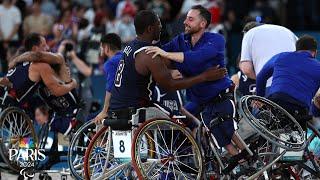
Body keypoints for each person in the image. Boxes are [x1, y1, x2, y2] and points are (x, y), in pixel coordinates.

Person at [145, 5, 244, 158]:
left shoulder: (216, 39)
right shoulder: (180, 40)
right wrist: (169, 69)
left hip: (220, 97)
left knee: (225, 131)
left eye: (190, 19)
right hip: (199, 101)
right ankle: (191, 160)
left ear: (203, 24)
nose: (185, 22)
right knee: (180, 122)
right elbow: (159, 55)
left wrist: (167, 54)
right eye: (186, 18)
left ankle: (247, 160)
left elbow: (197, 57)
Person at [107, 10, 227, 125]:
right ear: (150, 29)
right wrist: (204, 77)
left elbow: (165, 62)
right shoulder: (149, 54)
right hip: (135, 110)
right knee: (178, 119)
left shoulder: (132, 46)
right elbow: (170, 85)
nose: (161, 27)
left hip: (116, 109)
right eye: (158, 24)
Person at [256, 35, 320, 129]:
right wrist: (315, 113)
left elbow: (261, 77)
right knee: (298, 139)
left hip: (275, 101)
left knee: (269, 130)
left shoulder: (281, 56)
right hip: (299, 108)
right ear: (315, 53)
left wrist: (260, 99)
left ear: (297, 49)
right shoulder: (318, 66)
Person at [5, 33, 77, 103]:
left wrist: (15, 60)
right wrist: (73, 83)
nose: (48, 48)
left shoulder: (21, 59)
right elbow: (57, 90)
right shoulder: (38, 64)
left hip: (7, 94)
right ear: (35, 49)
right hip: (15, 101)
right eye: (44, 45)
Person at [239, 21, 297, 95]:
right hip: (297, 86)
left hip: (271, 86)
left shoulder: (250, 34)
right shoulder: (288, 32)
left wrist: (261, 79)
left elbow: (246, 69)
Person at [94, 33, 123, 123]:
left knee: (92, 120)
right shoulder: (126, 57)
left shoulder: (110, 63)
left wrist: (104, 111)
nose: (101, 49)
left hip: (119, 106)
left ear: (106, 48)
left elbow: (110, 88)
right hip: (133, 102)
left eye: (101, 47)